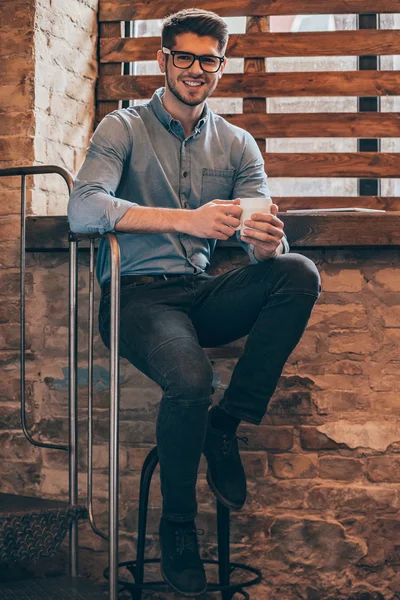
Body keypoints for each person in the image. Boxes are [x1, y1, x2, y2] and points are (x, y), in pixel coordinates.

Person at [68, 8, 321, 597]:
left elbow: (260, 236)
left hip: (200, 292)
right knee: (189, 378)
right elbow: (84, 211)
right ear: (163, 60)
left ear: (221, 66)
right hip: (134, 296)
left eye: (208, 60)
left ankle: (226, 424)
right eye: (184, 56)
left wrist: (266, 241)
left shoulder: (237, 144)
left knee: (297, 272)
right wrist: (192, 220)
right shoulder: (122, 127)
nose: (195, 69)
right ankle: (177, 526)